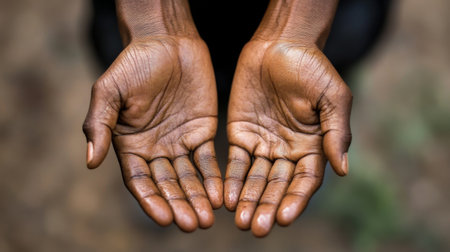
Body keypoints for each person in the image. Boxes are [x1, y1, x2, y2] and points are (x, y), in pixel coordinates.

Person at [83, 0, 353, 237]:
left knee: (307, 100)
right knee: (145, 107)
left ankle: (304, 136)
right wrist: (153, 23)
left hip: (318, 30)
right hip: (153, 49)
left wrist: (298, 26)